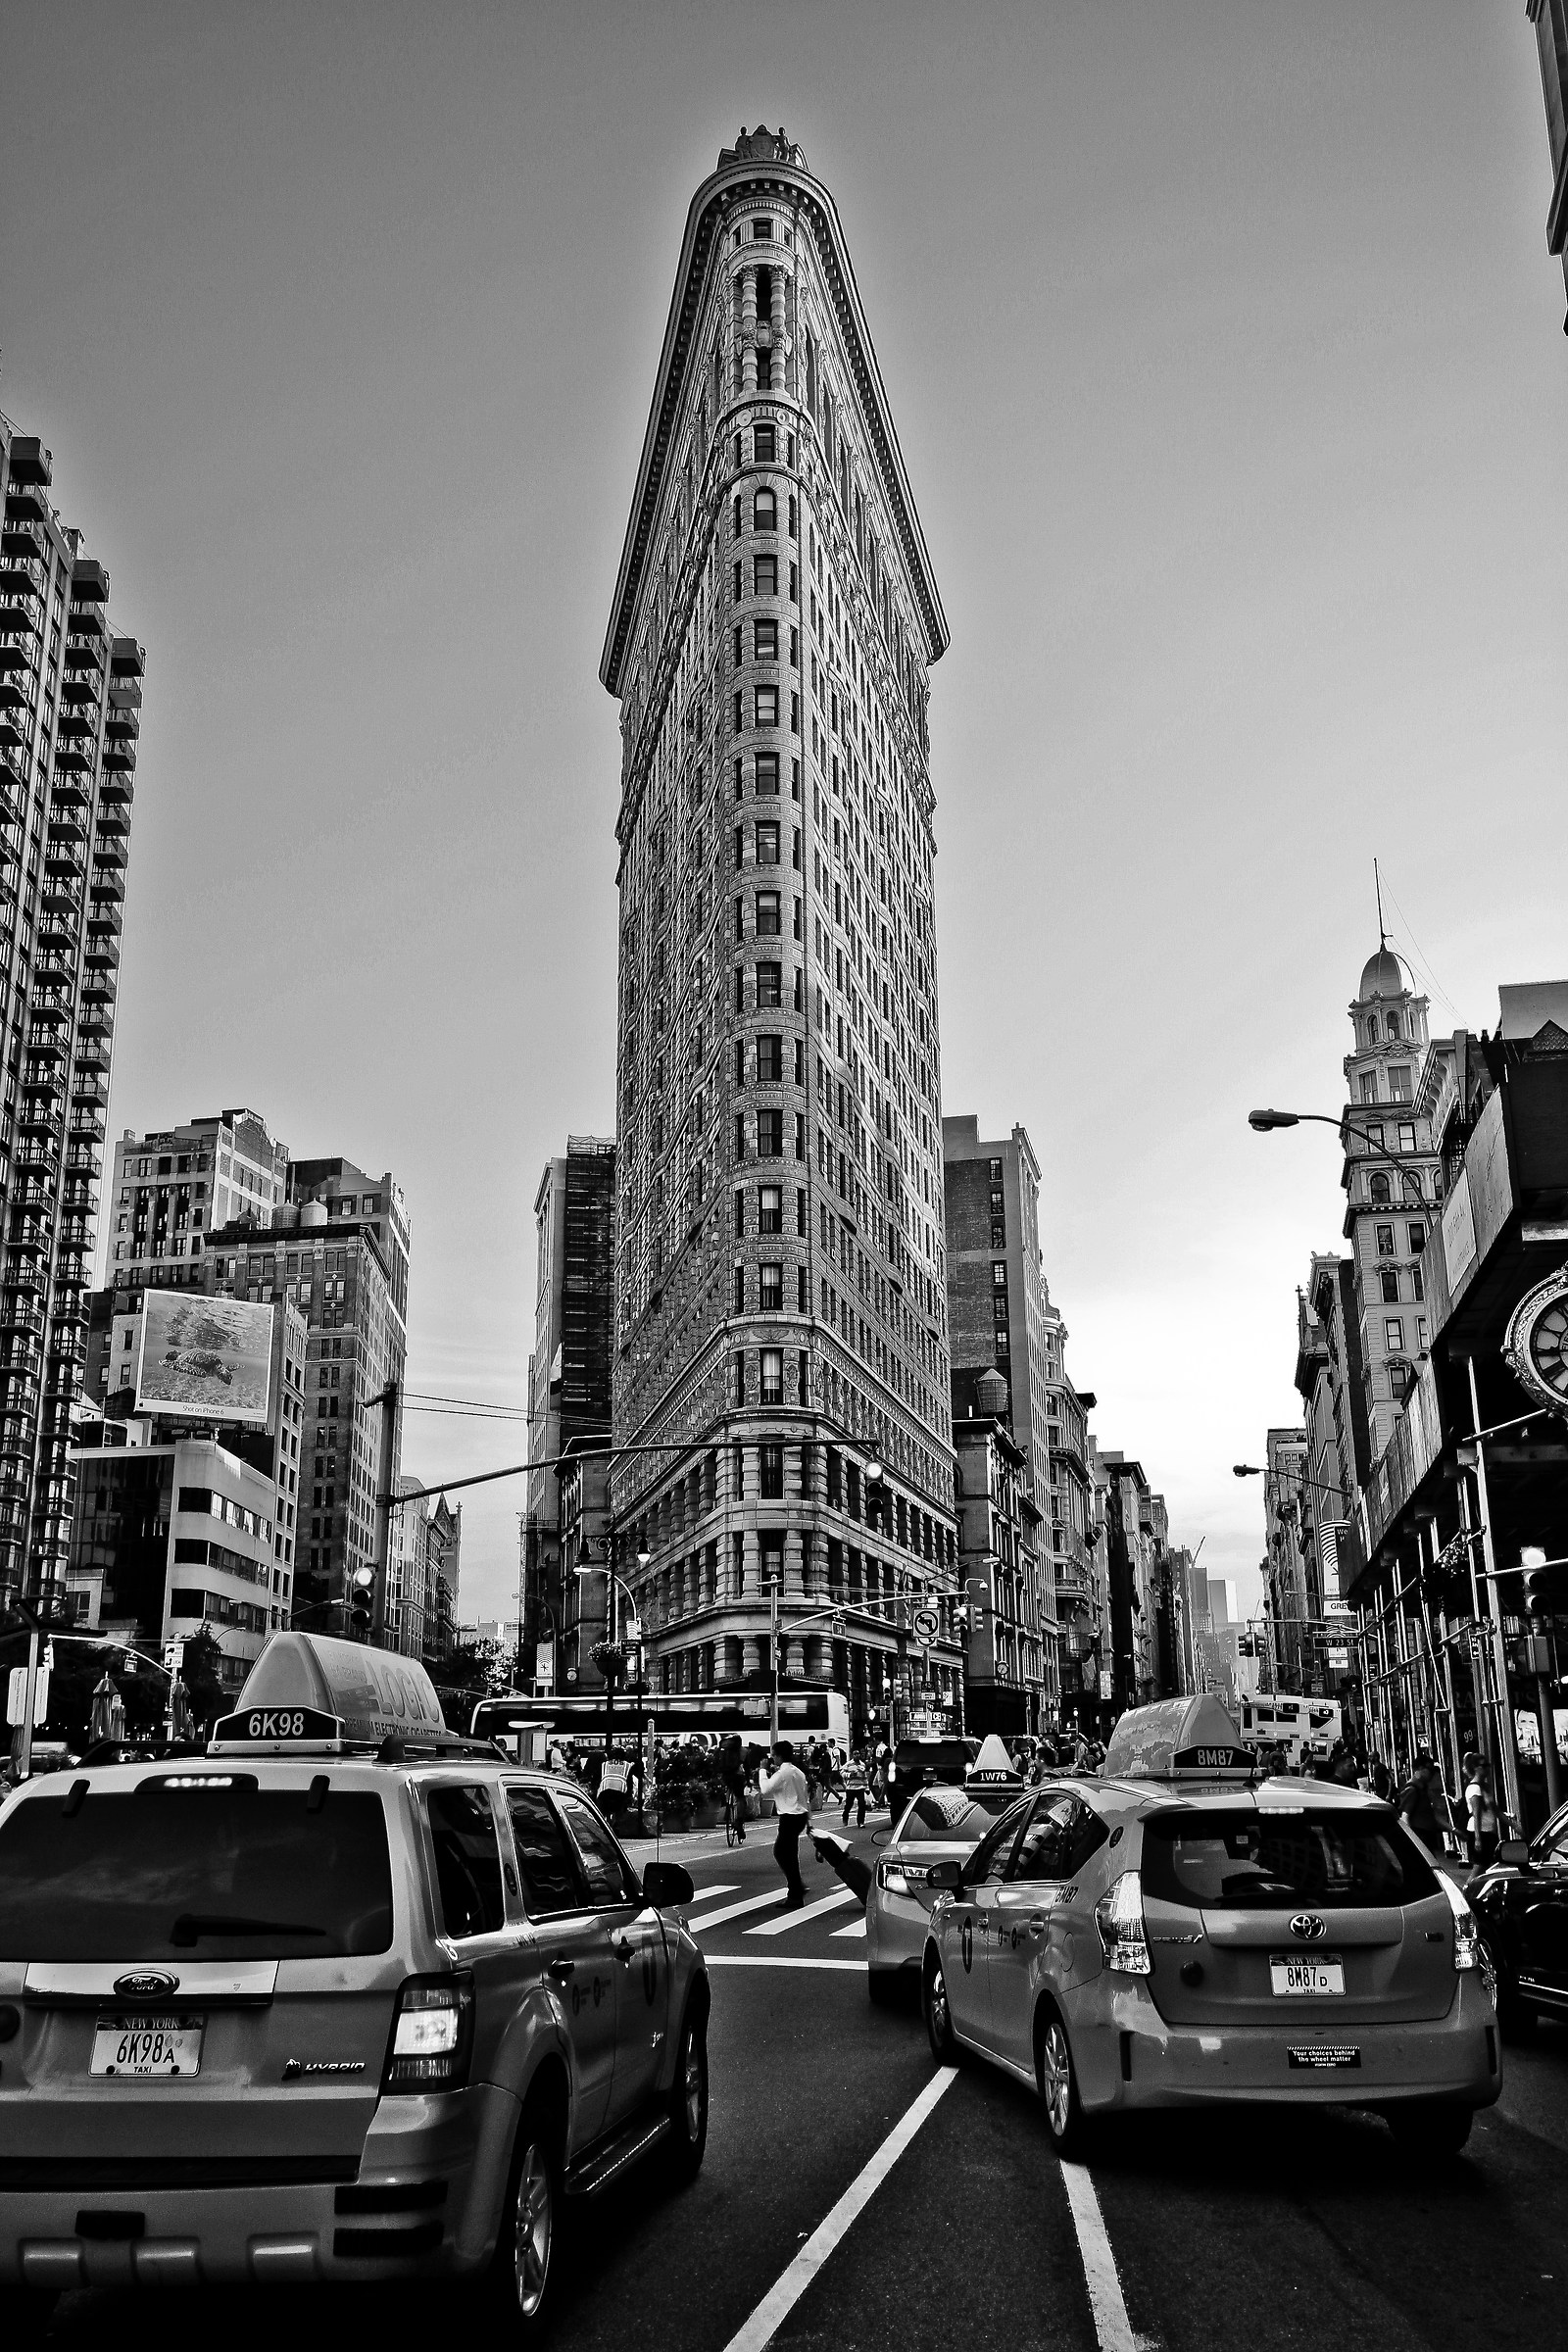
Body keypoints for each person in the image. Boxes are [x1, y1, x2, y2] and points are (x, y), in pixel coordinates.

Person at [760, 1740, 812, 1908]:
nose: (772, 1758)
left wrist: (762, 1770)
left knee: (781, 1853)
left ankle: (796, 1890)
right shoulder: (798, 1772)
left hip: (789, 1817)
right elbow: (804, 1797)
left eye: (774, 1755)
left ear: (780, 1756)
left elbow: (765, 1788)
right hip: (800, 1815)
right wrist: (809, 1820)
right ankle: (796, 1889)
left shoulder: (783, 1774)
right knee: (790, 1854)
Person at [1397, 1752, 1444, 1854]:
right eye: (1430, 1770)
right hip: (1420, 1836)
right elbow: (1405, 1816)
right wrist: (1413, 1841)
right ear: (1420, 1769)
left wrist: (1453, 1830)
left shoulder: (1423, 1788)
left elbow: (1433, 1816)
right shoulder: (1412, 1789)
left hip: (1427, 1835)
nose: (1432, 1774)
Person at [1464, 1752, 1499, 1872]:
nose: (1487, 1768)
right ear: (1475, 1768)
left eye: (1488, 1765)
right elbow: (1476, 1815)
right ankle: (1469, 1885)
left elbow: (1496, 1810)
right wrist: (1477, 1839)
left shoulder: (1486, 1787)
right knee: (1479, 1868)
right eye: (1483, 1766)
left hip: (1489, 1832)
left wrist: (1514, 1825)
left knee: (1488, 1867)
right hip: (1480, 1833)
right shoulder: (1474, 1788)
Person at [719, 1735, 748, 1843]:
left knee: (729, 1789)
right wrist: (748, 1780)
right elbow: (747, 1767)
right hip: (737, 1777)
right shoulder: (743, 1751)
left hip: (726, 1777)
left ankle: (727, 1809)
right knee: (740, 1798)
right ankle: (739, 1822)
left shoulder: (724, 1749)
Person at [841, 1747, 868, 1829]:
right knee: (849, 1804)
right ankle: (845, 1816)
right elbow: (842, 1773)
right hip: (851, 1788)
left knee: (862, 1804)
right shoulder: (848, 1764)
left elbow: (865, 1777)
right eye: (855, 1754)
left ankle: (861, 1821)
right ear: (852, 1755)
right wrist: (849, 1775)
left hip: (860, 1788)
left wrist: (867, 1788)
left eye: (858, 1754)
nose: (857, 1755)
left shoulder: (862, 1765)